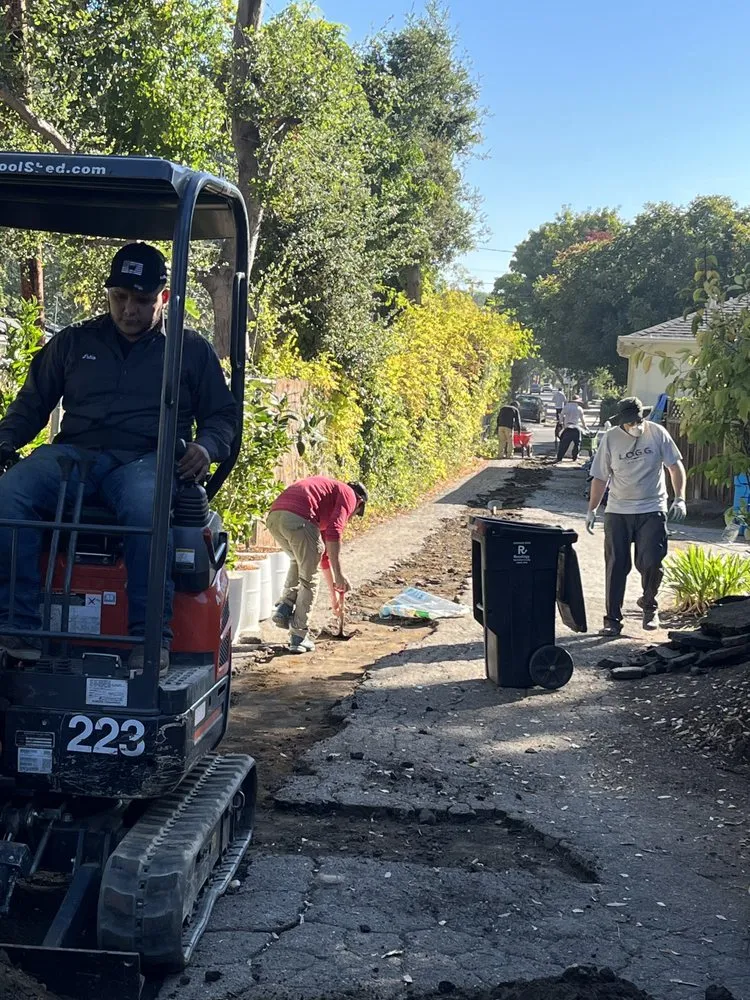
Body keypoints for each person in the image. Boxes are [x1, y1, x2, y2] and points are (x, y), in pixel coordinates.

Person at [0, 243, 237, 672]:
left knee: (146, 507)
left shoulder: (189, 351)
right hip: (76, 456)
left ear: (163, 297)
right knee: (11, 492)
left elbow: (222, 416)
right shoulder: (75, 342)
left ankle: (149, 639)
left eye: (142, 300)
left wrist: (207, 448)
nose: (129, 309)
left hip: (148, 458)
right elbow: (32, 404)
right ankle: (19, 628)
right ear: (108, 294)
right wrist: (5, 440)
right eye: (120, 298)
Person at [586, 396, 686, 636]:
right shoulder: (610, 439)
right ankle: (612, 620)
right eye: (629, 423)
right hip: (618, 511)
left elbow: (675, 466)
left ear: (644, 417)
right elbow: (601, 477)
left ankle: (650, 606)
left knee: (652, 561)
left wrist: (680, 498)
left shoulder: (658, 433)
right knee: (616, 565)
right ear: (621, 422)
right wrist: (592, 509)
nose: (634, 426)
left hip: (652, 508)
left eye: (637, 421)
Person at [266, 476, 368, 654]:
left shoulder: (325, 500)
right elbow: (335, 531)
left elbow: (323, 557)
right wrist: (339, 574)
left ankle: (285, 606)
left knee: (299, 561)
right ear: (359, 502)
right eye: (356, 513)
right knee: (310, 580)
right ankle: (298, 636)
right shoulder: (350, 496)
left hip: (275, 517)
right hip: (299, 517)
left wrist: (334, 594)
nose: (352, 517)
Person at [556, 396, 588, 462]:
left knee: (563, 444)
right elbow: (582, 420)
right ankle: (574, 457)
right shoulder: (579, 408)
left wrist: (560, 423)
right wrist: (585, 427)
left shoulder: (566, 407)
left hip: (568, 428)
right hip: (576, 428)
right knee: (577, 444)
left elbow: (561, 417)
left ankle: (559, 458)